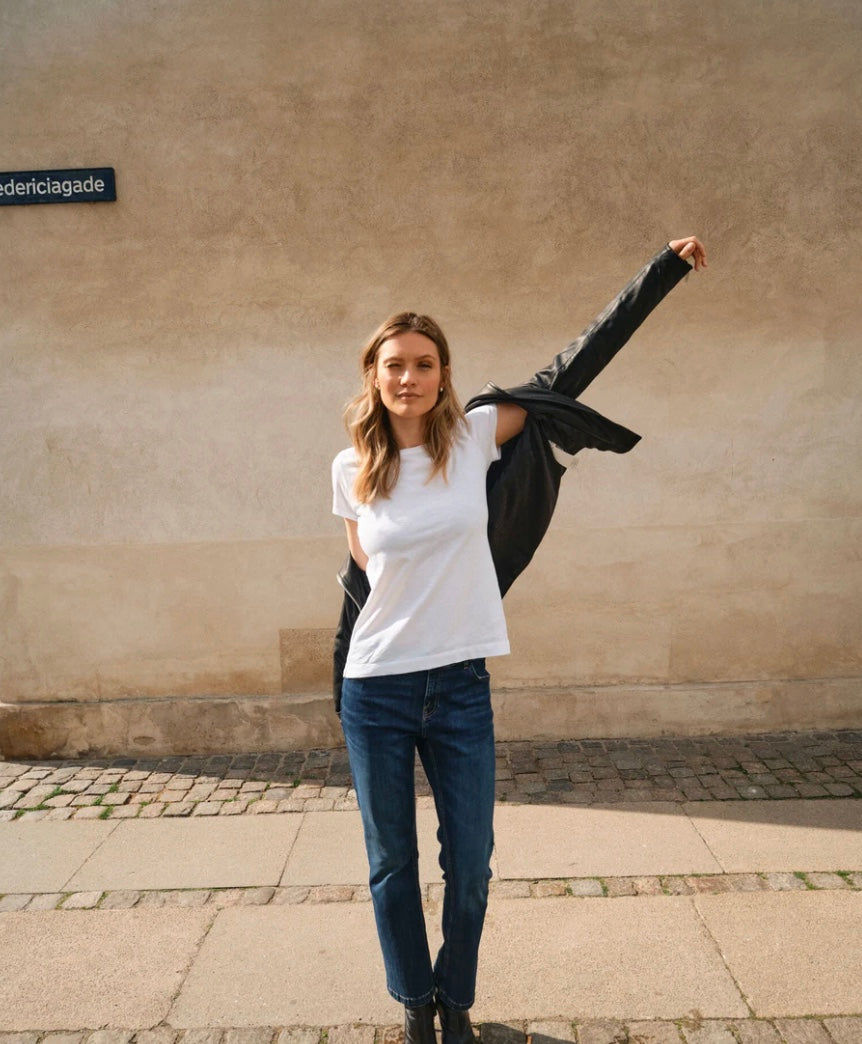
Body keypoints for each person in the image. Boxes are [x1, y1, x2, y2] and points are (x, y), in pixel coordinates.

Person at [330, 236, 707, 1044]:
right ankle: (415, 1006)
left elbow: (572, 367)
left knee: (470, 867)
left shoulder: (471, 439)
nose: (408, 376)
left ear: (443, 374)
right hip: (377, 688)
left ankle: (456, 995)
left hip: (460, 683)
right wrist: (343, 682)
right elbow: (365, 585)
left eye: (424, 363)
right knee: (391, 865)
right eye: (394, 363)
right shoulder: (350, 470)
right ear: (373, 374)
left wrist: (662, 271)